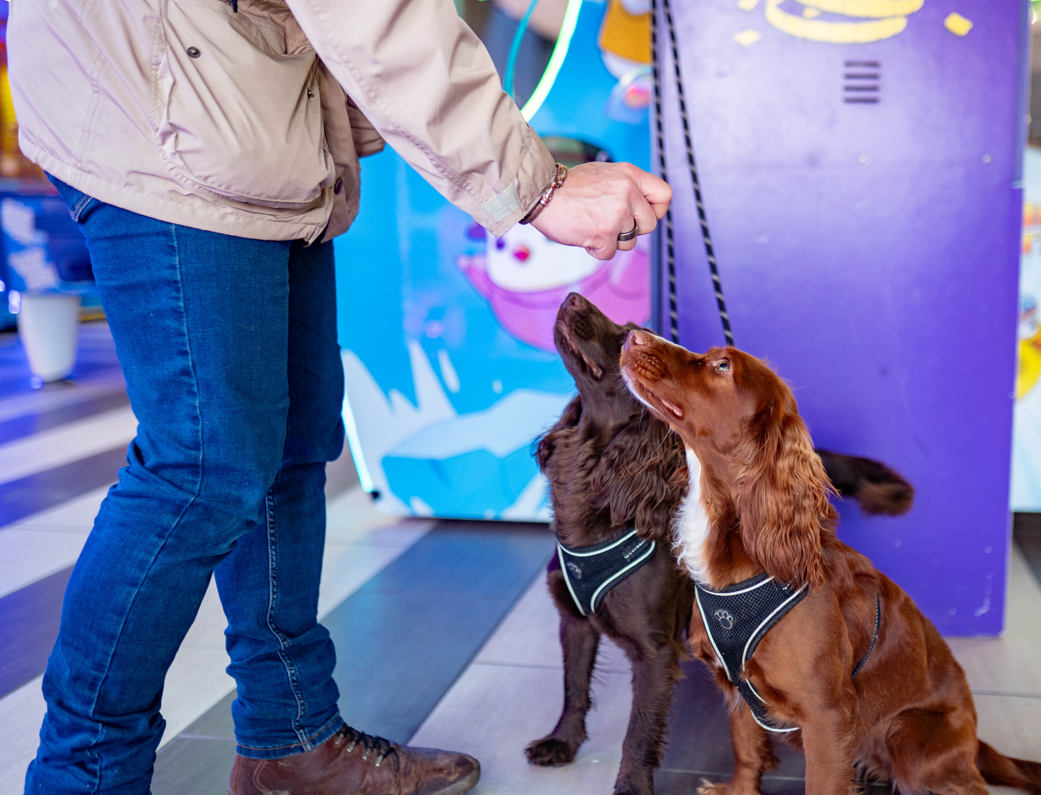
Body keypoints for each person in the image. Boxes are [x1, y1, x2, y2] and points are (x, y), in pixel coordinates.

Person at [7, 1, 671, 793]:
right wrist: (538, 184)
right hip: (168, 111)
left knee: (292, 444)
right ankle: (83, 776)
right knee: (202, 465)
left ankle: (290, 736)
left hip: (251, 115)